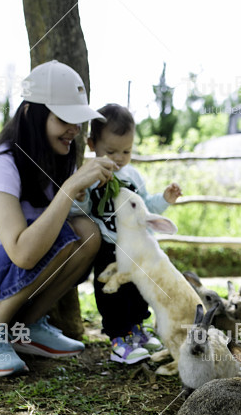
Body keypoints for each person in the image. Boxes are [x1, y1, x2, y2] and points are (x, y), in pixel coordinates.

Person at [0, 60, 117, 377]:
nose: (74, 129)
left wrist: (81, 193)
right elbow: (22, 252)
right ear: (33, 114)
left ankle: (25, 329)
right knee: (60, 234)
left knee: (87, 232)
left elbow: (66, 230)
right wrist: (70, 189)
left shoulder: (57, 160)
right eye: (64, 119)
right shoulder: (0, 162)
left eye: (78, 120)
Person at [76, 103, 182, 364]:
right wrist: (80, 194)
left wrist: (165, 199)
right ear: (92, 144)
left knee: (137, 290)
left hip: (136, 247)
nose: (119, 158)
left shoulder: (132, 175)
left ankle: (137, 331)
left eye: (126, 151)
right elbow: (82, 210)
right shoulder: (88, 175)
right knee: (113, 294)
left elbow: (145, 206)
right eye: (110, 151)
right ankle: (119, 339)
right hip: (108, 246)